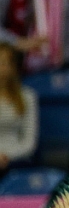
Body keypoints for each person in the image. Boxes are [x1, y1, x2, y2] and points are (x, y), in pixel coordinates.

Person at [0, 44, 37, 177]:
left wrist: (7, 156)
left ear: (13, 67)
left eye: (4, 63)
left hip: (17, 161)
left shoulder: (28, 97)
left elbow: (29, 142)